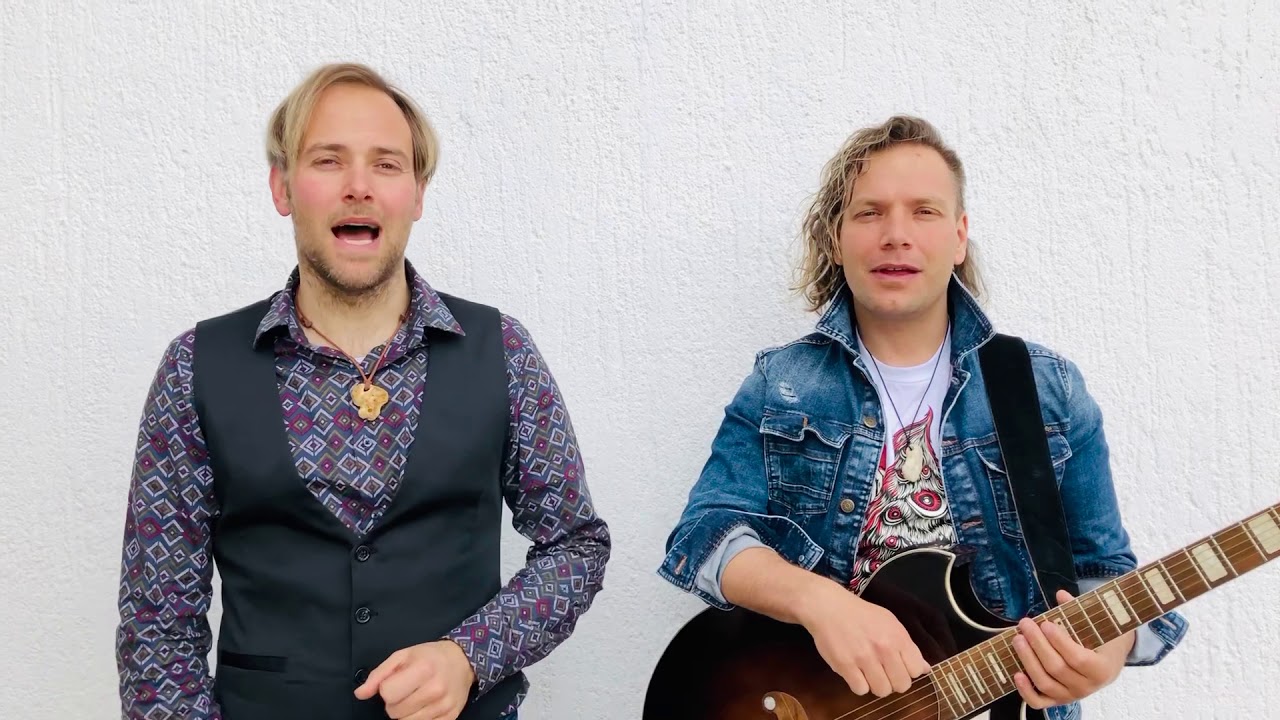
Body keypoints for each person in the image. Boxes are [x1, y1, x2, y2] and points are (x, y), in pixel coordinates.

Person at [114, 62, 611, 720]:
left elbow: (575, 544)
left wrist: (470, 656)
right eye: (328, 161)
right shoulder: (193, 368)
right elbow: (156, 628)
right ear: (282, 186)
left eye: (386, 164)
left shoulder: (504, 351)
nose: (358, 187)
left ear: (417, 192)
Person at [657, 115, 1187, 718]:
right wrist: (820, 602)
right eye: (869, 212)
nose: (896, 235)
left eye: (924, 212)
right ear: (836, 239)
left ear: (959, 237)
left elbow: (1102, 571)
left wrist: (1107, 653)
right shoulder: (783, 385)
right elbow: (704, 536)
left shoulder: (1046, 390)